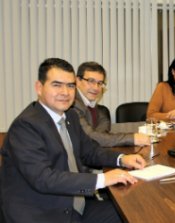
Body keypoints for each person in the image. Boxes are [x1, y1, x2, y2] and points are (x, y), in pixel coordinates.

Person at [0, 58, 145, 223]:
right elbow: (44, 179)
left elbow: (90, 150)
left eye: (70, 85)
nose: (65, 92)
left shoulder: (70, 115)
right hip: (43, 213)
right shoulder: (26, 126)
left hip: (74, 203)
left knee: (134, 213)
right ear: (39, 88)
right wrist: (103, 179)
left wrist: (121, 159)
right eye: (56, 85)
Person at [72, 61, 150, 147]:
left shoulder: (89, 100)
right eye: (91, 81)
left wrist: (98, 136)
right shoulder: (72, 104)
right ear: (78, 81)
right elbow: (90, 137)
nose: (96, 88)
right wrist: (133, 138)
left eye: (100, 83)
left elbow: (104, 120)